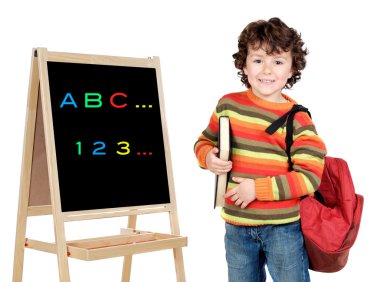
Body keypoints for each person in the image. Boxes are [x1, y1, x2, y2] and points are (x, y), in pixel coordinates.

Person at [194, 17, 326, 282]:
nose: (267, 70)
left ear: (291, 69)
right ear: (244, 63)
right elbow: (204, 141)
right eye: (257, 60)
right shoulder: (228, 105)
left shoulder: (298, 119)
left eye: (278, 61)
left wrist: (258, 189)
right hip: (236, 225)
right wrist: (208, 158)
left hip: (283, 228)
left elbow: (310, 177)